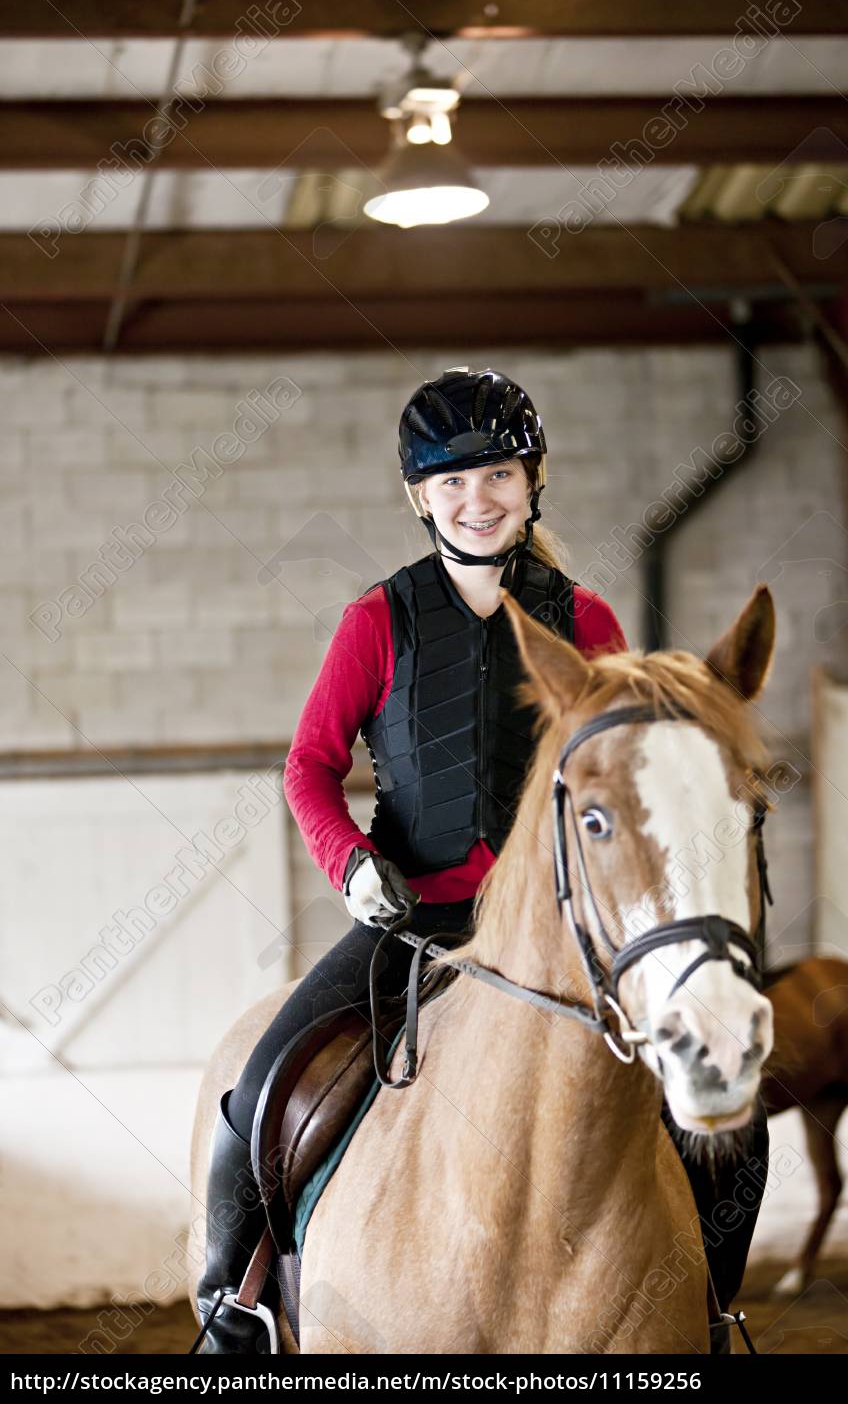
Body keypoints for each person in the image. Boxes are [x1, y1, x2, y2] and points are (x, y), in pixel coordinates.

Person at [194, 367, 767, 1353]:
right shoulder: (379, 620)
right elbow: (311, 764)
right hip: (411, 920)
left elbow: (623, 781)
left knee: (736, 1132)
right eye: (452, 481)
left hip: (565, 935)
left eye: (496, 473)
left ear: (531, 480)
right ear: (421, 497)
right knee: (261, 1086)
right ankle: (233, 1310)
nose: (477, 498)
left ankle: (712, 1311)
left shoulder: (585, 622)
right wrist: (353, 864)